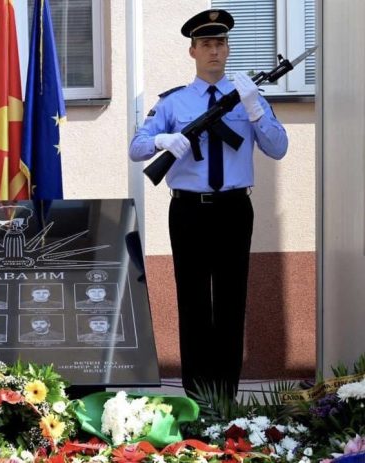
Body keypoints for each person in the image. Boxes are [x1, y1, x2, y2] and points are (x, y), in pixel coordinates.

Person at [128, 9, 288, 399]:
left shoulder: (250, 99)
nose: (214, 51)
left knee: (232, 301)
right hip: (188, 212)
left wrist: (254, 110)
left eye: (220, 43)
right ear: (192, 52)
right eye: (206, 44)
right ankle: (199, 397)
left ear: (228, 49)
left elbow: (278, 147)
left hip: (234, 210)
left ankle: (226, 396)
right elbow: (136, 148)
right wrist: (162, 142)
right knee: (194, 301)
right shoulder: (173, 103)